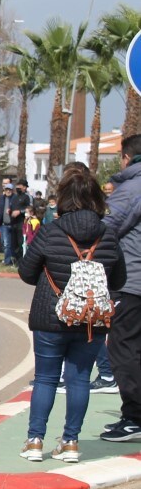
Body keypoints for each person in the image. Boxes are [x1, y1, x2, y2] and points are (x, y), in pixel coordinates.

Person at [18, 166, 125, 462]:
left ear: (64, 197)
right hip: (90, 321)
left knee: (46, 379)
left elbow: (26, 272)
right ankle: (71, 442)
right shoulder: (109, 234)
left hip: (51, 319)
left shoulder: (51, 230)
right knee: (79, 380)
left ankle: (35, 441)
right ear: (95, 197)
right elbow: (118, 281)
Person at [102, 134, 141, 442]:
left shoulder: (131, 190)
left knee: (123, 346)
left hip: (131, 282)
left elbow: (106, 229)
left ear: (127, 158)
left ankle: (134, 417)